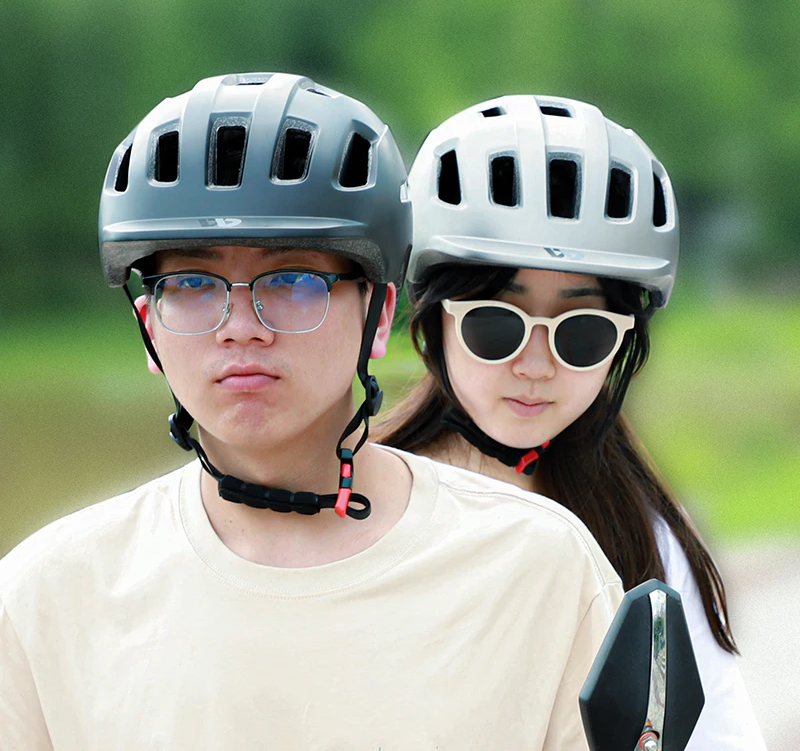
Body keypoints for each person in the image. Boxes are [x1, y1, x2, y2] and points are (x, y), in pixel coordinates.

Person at [0, 74, 623, 750]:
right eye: (192, 283)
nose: (241, 325)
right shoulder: (47, 596)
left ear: (379, 316)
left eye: (293, 280)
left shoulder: (540, 569)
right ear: (149, 324)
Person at [375, 94, 766, 749]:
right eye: (496, 324)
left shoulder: (647, 539)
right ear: (433, 320)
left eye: (581, 334)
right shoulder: (349, 506)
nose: (536, 364)